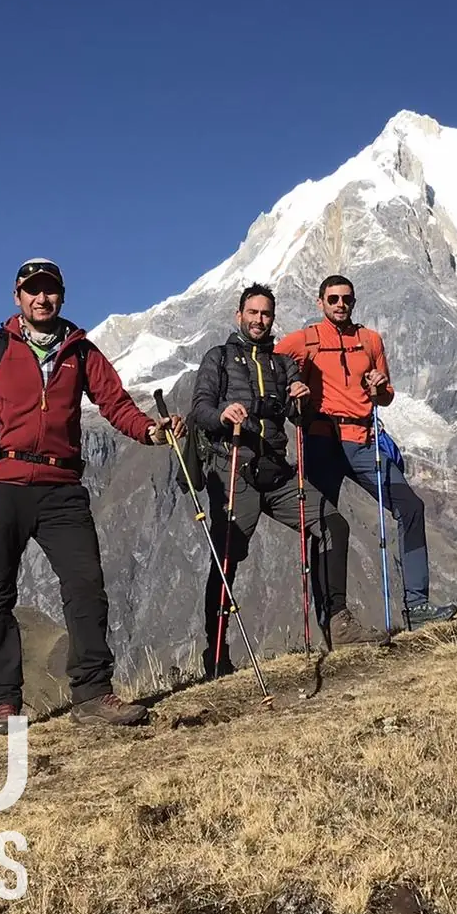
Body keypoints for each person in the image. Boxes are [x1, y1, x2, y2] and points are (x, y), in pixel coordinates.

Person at [0, 257, 179, 731]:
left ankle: (93, 694)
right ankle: (3, 705)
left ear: (62, 296)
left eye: (50, 290)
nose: (42, 298)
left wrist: (149, 431)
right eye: (33, 290)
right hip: (0, 484)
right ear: (17, 297)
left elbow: (115, 404)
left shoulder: (81, 352)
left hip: (61, 487)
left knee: (86, 586)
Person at [278, 275, 457, 638]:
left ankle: (417, 605)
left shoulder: (371, 340)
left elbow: (386, 396)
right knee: (323, 525)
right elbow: (271, 365)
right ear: (320, 302)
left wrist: (379, 387)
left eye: (346, 298)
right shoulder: (303, 340)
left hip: (363, 439)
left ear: (354, 301)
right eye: (333, 299)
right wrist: (291, 387)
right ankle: (333, 620)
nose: (340, 304)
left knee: (410, 506)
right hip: (321, 439)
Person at [186, 283, 331, 673]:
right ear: (239, 315)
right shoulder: (218, 358)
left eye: (265, 314)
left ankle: (338, 623)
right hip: (233, 467)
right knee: (226, 557)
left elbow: (300, 418)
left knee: (332, 523)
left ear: (272, 318)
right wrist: (222, 415)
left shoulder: (283, 364)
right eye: (252, 312)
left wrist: (301, 398)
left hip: (277, 471)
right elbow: (200, 409)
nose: (259, 320)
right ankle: (216, 653)